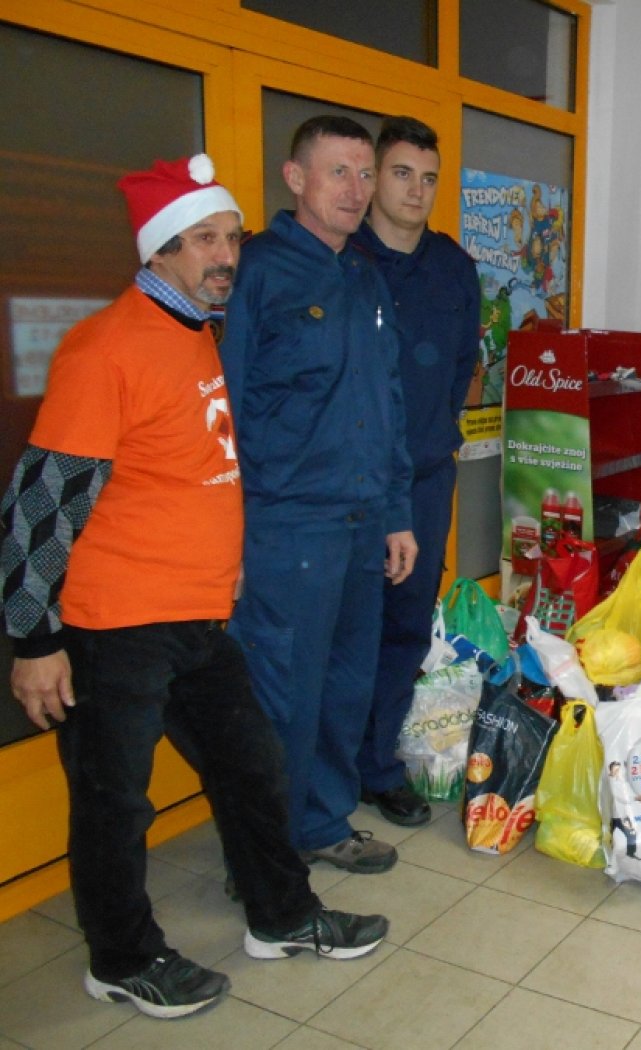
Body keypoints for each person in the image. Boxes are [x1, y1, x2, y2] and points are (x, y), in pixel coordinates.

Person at [0, 155, 388, 1020]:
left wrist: (227, 558)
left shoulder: (193, 332)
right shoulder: (106, 347)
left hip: (199, 616)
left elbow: (188, 470)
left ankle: (281, 916)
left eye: (231, 238)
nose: (226, 256)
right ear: (159, 251)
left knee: (252, 768)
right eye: (204, 240)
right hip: (116, 624)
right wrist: (34, 640)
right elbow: (40, 504)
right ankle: (122, 959)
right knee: (114, 803)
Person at [221, 116, 417, 874]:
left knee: (344, 686)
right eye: (339, 171)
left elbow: (388, 401)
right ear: (295, 177)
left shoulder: (364, 276)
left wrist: (397, 514)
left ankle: (322, 822)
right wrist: (227, 534)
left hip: (362, 522)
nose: (357, 189)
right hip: (286, 526)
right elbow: (224, 408)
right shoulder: (257, 272)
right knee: (282, 696)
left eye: (366, 174)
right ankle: (263, 857)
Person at [351, 116, 480, 828]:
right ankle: (327, 774)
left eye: (428, 178)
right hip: (350, 483)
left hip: (426, 480)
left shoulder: (453, 267)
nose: (416, 190)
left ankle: (379, 767)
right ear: (375, 176)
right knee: (345, 631)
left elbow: (461, 365)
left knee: (404, 627)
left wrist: (431, 438)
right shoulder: (343, 258)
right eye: (402, 174)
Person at [607, 761, 640, 860]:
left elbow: (628, 778)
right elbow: (621, 797)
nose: (618, 772)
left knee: (631, 834)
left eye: (619, 770)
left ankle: (631, 853)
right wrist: (635, 798)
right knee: (607, 837)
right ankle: (608, 856)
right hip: (610, 817)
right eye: (616, 770)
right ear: (611, 771)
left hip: (622, 816)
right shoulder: (609, 782)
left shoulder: (622, 782)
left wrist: (627, 766)